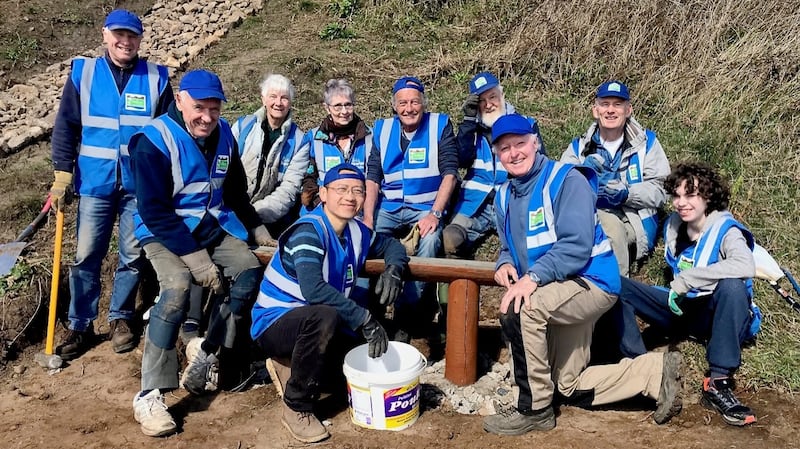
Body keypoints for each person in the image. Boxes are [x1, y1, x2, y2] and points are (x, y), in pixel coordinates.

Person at [482, 114, 682, 436]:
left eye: (520, 144)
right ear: (497, 153)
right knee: (567, 385)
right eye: (505, 148)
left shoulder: (566, 180)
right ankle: (653, 372)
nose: (514, 153)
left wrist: (530, 279)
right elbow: (508, 247)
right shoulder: (504, 195)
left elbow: (575, 246)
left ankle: (534, 409)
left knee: (520, 310)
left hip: (590, 283)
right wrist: (504, 264)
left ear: (535, 142)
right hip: (557, 286)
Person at [127, 69, 271, 437]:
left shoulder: (224, 136)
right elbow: (154, 210)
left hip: (209, 227)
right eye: (198, 108)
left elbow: (236, 192)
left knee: (248, 271)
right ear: (180, 101)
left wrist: (256, 228)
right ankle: (151, 394)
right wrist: (196, 260)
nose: (206, 117)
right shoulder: (153, 141)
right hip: (163, 231)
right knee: (175, 289)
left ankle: (207, 351)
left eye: (214, 109)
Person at [251, 163, 408, 443]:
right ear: (323, 194)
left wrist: (393, 270)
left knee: (350, 371)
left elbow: (392, 246)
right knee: (324, 317)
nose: (350, 197)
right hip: (276, 322)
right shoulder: (309, 231)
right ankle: (296, 406)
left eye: (358, 191)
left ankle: (288, 365)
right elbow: (314, 290)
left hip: (316, 323)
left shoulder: (356, 231)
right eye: (341, 189)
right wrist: (364, 319)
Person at [49, 9, 173, 359]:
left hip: (139, 186)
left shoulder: (156, 78)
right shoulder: (84, 73)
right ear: (105, 35)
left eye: (132, 35)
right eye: (119, 34)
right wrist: (62, 173)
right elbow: (66, 127)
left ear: (140, 39)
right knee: (87, 255)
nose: (125, 41)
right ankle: (81, 324)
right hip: (95, 182)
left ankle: (120, 318)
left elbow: (166, 134)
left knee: (132, 257)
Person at [616, 162, 758, 427]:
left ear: (708, 197)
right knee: (618, 285)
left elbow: (745, 265)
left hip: (716, 316)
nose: (681, 203)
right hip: (683, 309)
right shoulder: (673, 225)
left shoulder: (727, 230)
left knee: (733, 286)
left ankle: (717, 382)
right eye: (677, 195)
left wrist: (688, 279)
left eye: (690, 195)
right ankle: (640, 368)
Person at [363, 76, 459, 341]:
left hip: (425, 206)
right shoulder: (382, 129)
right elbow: (372, 177)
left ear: (423, 104)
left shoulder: (440, 125)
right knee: (362, 240)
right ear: (394, 106)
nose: (409, 108)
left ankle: (409, 311)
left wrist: (435, 214)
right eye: (403, 103)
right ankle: (371, 308)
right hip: (390, 206)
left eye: (414, 102)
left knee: (429, 243)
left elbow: (450, 174)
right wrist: (368, 218)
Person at [560, 80, 670, 276]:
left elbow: (662, 190)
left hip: (633, 219)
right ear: (596, 110)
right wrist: (582, 178)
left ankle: (617, 288)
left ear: (628, 110)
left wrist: (627, 194)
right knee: (603, 224)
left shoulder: (648, 143)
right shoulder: (578, 148)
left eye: (617, 105)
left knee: (607, 229)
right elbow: (560, 187)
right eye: (605, 104)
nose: (611, 110)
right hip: (588, 217)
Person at [445, 71, 545, 257]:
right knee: (451, 239)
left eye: (492, 97)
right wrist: (468, 122)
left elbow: (539, 164)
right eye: (482, 101)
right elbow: (461, 160)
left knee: (529, 245)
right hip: (475, 203)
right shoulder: (472, 128)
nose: (489, 104)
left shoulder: (526, 125)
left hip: (513, 200)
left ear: (502, 96)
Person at [232, 73, 308, 238]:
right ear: (263, 99)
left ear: (290, 103)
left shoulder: (300, 141)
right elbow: (225, 174)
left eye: (284, 98)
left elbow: (289, 189)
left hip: (269, 217)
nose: (278, 103)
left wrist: (256, 214)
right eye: (273, 96)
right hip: (232, 211)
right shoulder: (242, 127)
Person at [300, 78, 373, 211]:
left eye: (348, 105)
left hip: (359, 207)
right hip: (322, 206)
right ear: (327, 108)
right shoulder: (313, 138)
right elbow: (307, 176)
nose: (344, 111)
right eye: (338, 106)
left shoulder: (370, 136)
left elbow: (375, 177)